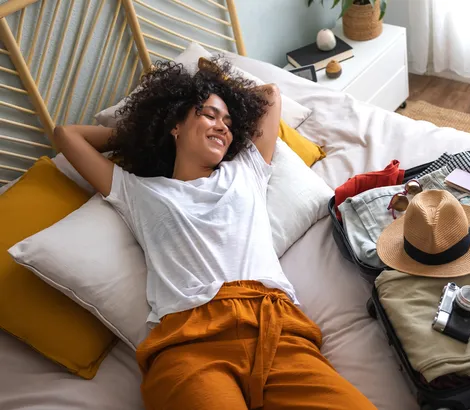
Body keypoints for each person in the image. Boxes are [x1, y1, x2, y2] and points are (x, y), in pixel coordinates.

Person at [52, 59, 375, 410]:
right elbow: (67, 135)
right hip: (191, 342)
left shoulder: (246, 168)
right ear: (176, 125)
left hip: (274, 325)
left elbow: (270, 94)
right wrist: (143, 133)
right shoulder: (138, 192)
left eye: (229, 122)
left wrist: (217, 93)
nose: (223, 126)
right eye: (209, 115)